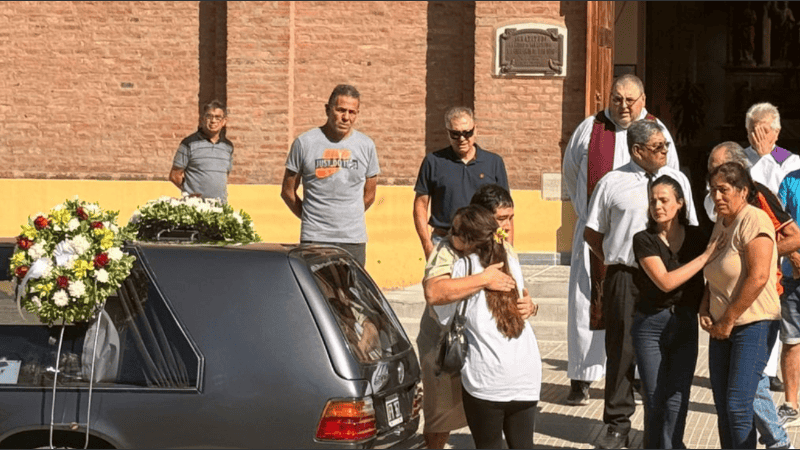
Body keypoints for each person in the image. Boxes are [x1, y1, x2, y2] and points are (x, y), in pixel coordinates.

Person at [561, 74, 679, 405]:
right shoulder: (590, 129)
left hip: (641, 237)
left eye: (630, 100)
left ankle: (640, 377)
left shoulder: (658, 132)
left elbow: (671, 180)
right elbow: (571, 172)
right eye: (617, 98)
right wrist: (589, 214)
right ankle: (582, 376)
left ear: (643, 101)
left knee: (641, 306)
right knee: (587, 303)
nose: (623, 105)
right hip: (595, 234)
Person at [584, 120, 697, 449]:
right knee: (621, 350)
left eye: (666, 146)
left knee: (662, 351)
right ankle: (617, 423)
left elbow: (689, 227)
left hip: (666, 278)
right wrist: (615, 256)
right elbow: (593, 231)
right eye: (658, 147)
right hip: (626, 276)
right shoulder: (612, 182)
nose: (665, 151)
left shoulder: (677, 181)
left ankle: (659, 428)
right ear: (637, 150)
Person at [418, 184, 533, 449]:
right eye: (501, 219)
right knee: (440, 422)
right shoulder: (448, 249)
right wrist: (483, 279)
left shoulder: (504, 246)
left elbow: (517, 288)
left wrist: (530, 305)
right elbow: (434, 292)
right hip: (446, 353)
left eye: (510, 218)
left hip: (486, 355)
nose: (508, 225)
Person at [705, 141, 800, 448]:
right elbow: (716, 261)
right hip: (726, 314)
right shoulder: (721, 215)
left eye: (720, 171)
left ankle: (777, 440)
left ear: (739, 176)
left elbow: (791, 238)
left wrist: (761, 254)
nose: (714, 182)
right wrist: (706, 304)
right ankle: (776, 439)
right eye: (711, 175)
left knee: (741, 399)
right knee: (736, 399)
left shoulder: (758, 201)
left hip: (756, 309)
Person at [632, 175, 721, 449]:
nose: (657, 206)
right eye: (652, 201)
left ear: (680, 203)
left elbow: (712, 278)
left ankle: (673, 445)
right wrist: (705, 257)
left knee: (678, 395)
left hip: (684, 323)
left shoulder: (696, 236)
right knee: (655, 395)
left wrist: (705, 306)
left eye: (664, 200)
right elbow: (665, 281)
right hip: (650, 325)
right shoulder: (643, 239)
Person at [281, 84, 379, 266]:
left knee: (350, 293)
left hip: (353, 240)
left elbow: (370, 195)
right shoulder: (305, 143)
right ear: (327, 109)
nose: (346, 117)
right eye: (341, 110)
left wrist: (348, 216)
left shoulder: (366, 146)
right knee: (316, 292)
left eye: (352, 112)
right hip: (315, 239)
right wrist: (312, 217)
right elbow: (287, 191)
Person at [743, 102, 800, 394]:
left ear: (777, 132)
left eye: (764, 129)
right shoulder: (738, 158)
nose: (758, 136)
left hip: (782, 247)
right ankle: (759, 372)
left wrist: (766, 159)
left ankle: (774, 374)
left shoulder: (789, 162)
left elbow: (786, 207)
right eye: (752, 129)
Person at [413, 106, 510, 260]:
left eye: (467, 133)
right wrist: (427, 246)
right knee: (440, 285)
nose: (462, 139)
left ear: (475, 130)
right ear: (447, 133)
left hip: (484, 244)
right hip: (444, 242)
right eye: (455, 134)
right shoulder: (433, 162)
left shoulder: (494, 162)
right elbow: (420, 205)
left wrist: (506, 250)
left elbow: (505, 211)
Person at [169, 100, 234, 203]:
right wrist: (189, 192)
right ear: (203, 119)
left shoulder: (228, 147)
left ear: (224, 121)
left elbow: (225, 175)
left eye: (218, 117)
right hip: (195, 207)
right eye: (209, 116)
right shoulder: (189, 143)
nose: (213, 121)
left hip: (220, 206)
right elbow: (174, 175)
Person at [777, 168, 800, 427]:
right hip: (792, 274)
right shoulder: (790, 179)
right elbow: (777, 221)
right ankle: (791, 405)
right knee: (792, 341)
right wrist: (792, 256)